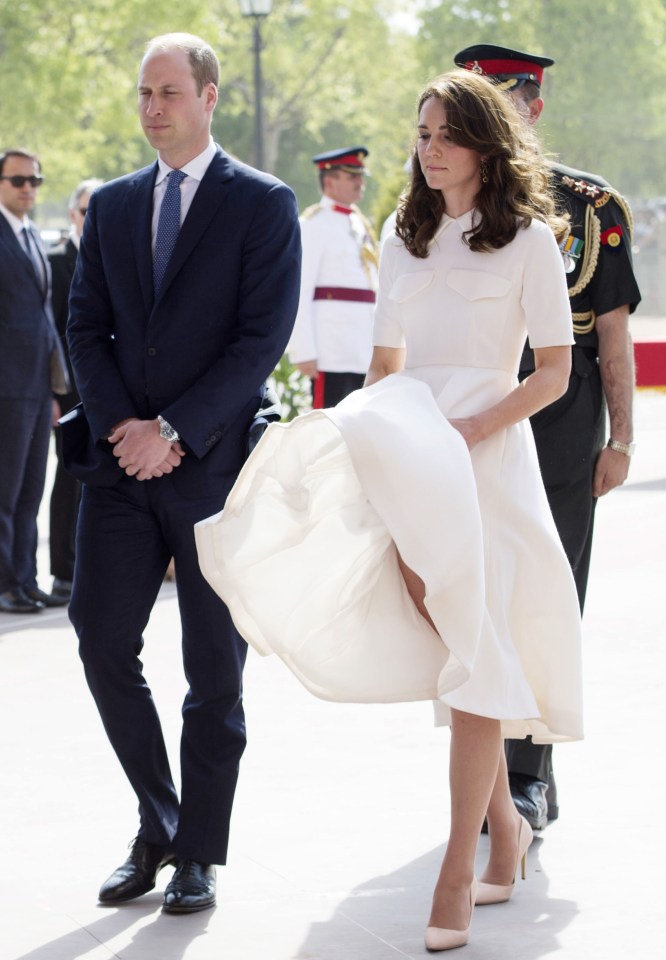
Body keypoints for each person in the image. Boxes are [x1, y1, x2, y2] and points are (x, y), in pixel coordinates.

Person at [196, 71, 583, 951]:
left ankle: (461, 869)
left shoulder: (529, 241)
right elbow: (385, 371)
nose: (429, 147)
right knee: (456, 646)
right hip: (413, 459)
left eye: (446, 133)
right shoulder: (402, 240)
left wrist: (474, 429)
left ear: (486, 142)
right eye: (422, 132)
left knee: (478, 650)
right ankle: (507, 832)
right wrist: (371, 457)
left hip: (490, 461)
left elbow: (553, 373)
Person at [65, 33, 300, 913]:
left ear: (208, 96)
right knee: (98, 640)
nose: (152, 106)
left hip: (212, 474)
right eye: (143, 92)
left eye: (168, 90)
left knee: (215, 672)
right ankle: (159, 817)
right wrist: (129, 427)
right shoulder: (117, 207)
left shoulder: (263, 204)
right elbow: (85, 326)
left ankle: (198, 851)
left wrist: (176, 430)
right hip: (123, 471)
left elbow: (259, 342)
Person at [454, 44, 641, 830]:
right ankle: (493, 768)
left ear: (533, 106)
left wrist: (622, 439)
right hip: (472, 407)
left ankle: (530, 769)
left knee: (547, 592)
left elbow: (617, 340)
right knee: (479, 596)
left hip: (563, 420)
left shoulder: (591, 208)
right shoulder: (448, 199)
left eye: (501, 100)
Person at [0, 148, 70, 615]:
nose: (28, 188)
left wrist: (53, 387)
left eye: (35, 181)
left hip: (34, 387)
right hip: (4, 385)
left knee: (30, 491)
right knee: (4, 493)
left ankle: (25, 579)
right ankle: (6, 584)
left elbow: (44, 317)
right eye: (19, 180)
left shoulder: (31, 236)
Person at [286, 146, 378, 407]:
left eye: (360, 176)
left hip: (362, 351)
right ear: (329, 180)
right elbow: (299, 291)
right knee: (328, 429)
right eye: (352, 176)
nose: (360, 182)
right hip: (331, 352)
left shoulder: (360, 224)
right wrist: (304, 351)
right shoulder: (313, 225)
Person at [48, 178, 103, 602]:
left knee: (99, 482)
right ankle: (63, 571)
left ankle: (90, 566)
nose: (94, 218)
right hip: (68, 388)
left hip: (107, 392)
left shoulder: (114, 257)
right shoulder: (56, 261)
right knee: (68, 479)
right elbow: (58, 334)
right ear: (73, 215)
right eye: (87, 211)